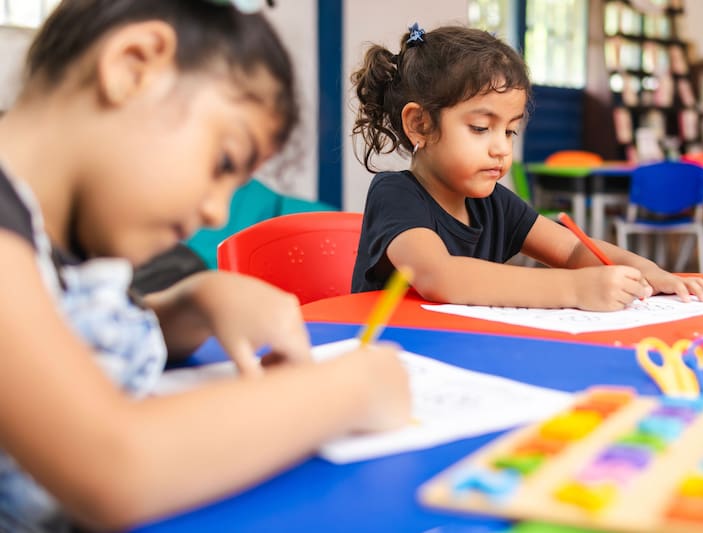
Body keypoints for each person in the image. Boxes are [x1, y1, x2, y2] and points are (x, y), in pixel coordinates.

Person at [0, 1, 410, 531]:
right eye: (223, 161)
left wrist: (188, 306)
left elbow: (61, 342)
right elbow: (111, 465)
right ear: (132, 67)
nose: (217, 212)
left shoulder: (53, 236)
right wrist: (350, 389)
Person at [350, 24, 703, 311]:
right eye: (480, 128)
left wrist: (648, 271)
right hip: (393, 361)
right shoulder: (395, 194)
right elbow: (440, 276)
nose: (501, 148)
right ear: (420, 124)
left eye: (509, 131)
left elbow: (572, 251)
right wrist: (576, 289)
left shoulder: (494, 203)